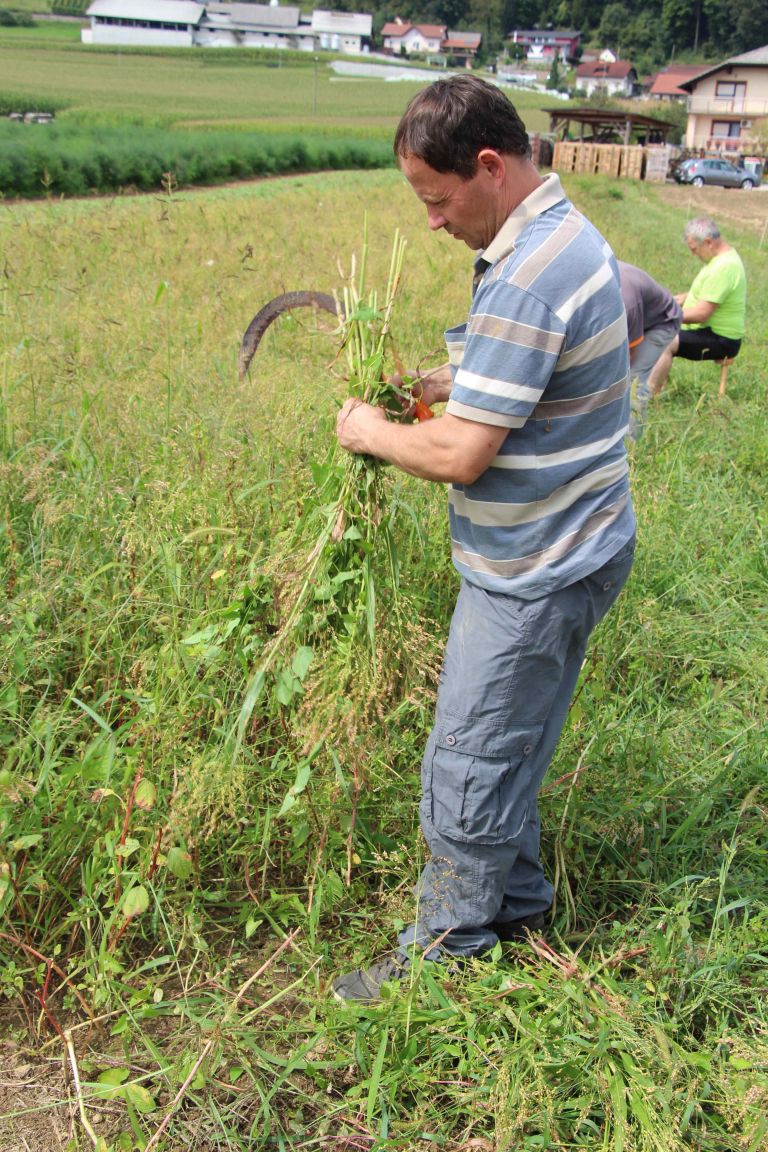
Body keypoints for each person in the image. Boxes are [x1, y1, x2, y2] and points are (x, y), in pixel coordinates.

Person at [332, 76, 636, 1003]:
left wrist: (368, 430)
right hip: (583, 542)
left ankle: (447, 947)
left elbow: (462, 453)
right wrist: (437, 380)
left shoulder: (528, 278)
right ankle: (519, 905)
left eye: (437, 199)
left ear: (491, 167)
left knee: (468, 756)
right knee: (514, 742)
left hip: (535, 567)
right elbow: (518, 369)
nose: (431, 222)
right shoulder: (557, 236)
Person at [647, 217, 746, 397]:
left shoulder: (724, 267)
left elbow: (701, 314)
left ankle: (647, 396)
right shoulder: (723, 259)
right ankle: (652, 385)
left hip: (722, 339)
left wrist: (665, 315)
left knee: (663, 340)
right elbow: (712, 293)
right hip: (710, 331)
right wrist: (677, 300)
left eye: (694, 249)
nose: (694, 254)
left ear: (708, 242)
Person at [617, 261, 682, 440]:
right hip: (641, 314)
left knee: (634, 381)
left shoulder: (627, 302)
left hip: (663, 322)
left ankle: (631, 442)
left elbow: (628, 355)